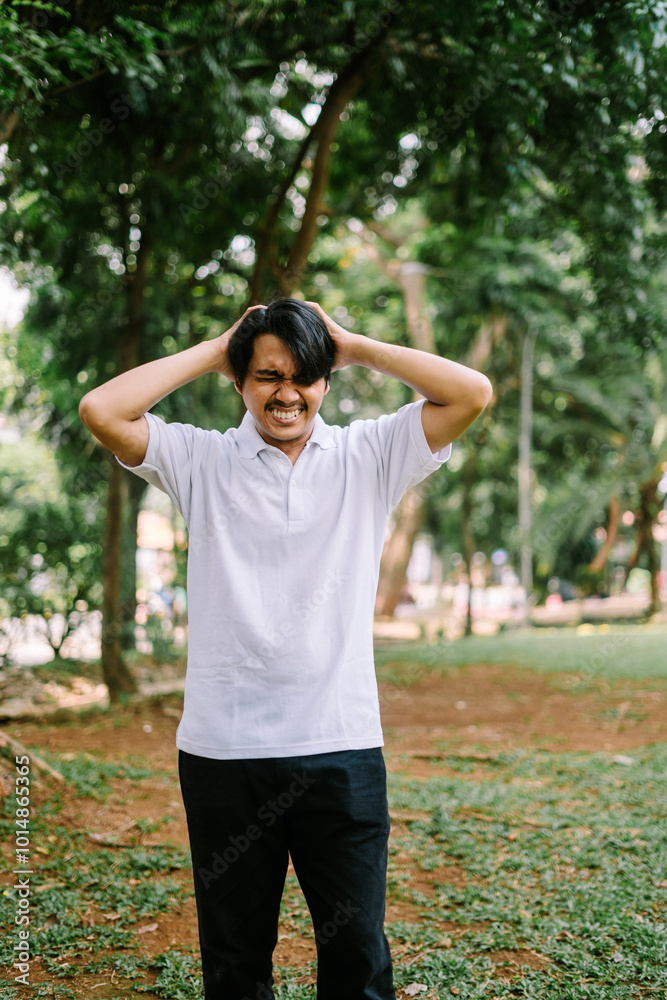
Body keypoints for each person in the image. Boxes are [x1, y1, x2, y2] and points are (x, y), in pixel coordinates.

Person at [79, 298, 492, 1000]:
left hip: (342, 747)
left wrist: (354, 346)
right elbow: (102, 409)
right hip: (223, 754)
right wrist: (218, 348)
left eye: (305, 376)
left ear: (327, 379)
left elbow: (471, 392)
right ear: (240, 381)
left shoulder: (369, 455)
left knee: (358, 960)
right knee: (235, 964)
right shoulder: (201, 459)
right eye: (268, 375)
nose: (288, 394)